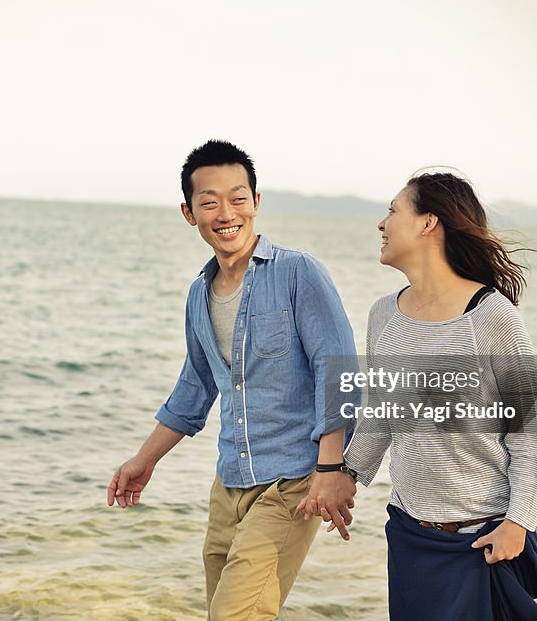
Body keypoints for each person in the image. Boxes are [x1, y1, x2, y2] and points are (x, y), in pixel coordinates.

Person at [107, 139, 359, 620]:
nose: (227, 213)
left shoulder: (298, 273)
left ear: (256, 203)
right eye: (209, 201)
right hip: (229, 484)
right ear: (189, 212)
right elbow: (195, 388)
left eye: (238, 198)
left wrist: (330, 470)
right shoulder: (198, 294)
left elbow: (339, 371)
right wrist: (145, 459)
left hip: (292, 481)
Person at [302, 171, 537, 620]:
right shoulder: (384, 315)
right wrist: (348, 473)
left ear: (428, 223)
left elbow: (529, 435)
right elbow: (381, 414)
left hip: (481, 540)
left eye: (393, 210)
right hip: (409, 535)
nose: (382, 224)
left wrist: (519, 522)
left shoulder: (493, 316)